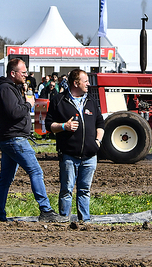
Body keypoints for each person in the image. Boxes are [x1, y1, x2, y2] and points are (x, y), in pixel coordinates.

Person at [0, 58, 64, 223]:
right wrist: (28, 103)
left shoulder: (11, 88)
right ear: (13, 73)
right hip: (15, 139)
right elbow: (14, 113)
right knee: (36, 171)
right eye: (23, 72)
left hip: (11, 138)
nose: (26, 75)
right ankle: (45, 210)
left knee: (5, 179)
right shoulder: (6, 89)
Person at [45, 69, 105, 222]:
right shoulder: (59, 100)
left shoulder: (91, 100)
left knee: (85, 190)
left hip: (90, 155)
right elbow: (48, 125)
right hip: (69, 155)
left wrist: (97, 142)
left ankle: (85, 221)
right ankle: (64, 220)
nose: (88, 84)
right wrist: (64, 126)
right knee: (66, 190)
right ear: (76, 83)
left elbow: (100, 123)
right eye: (85, 81)